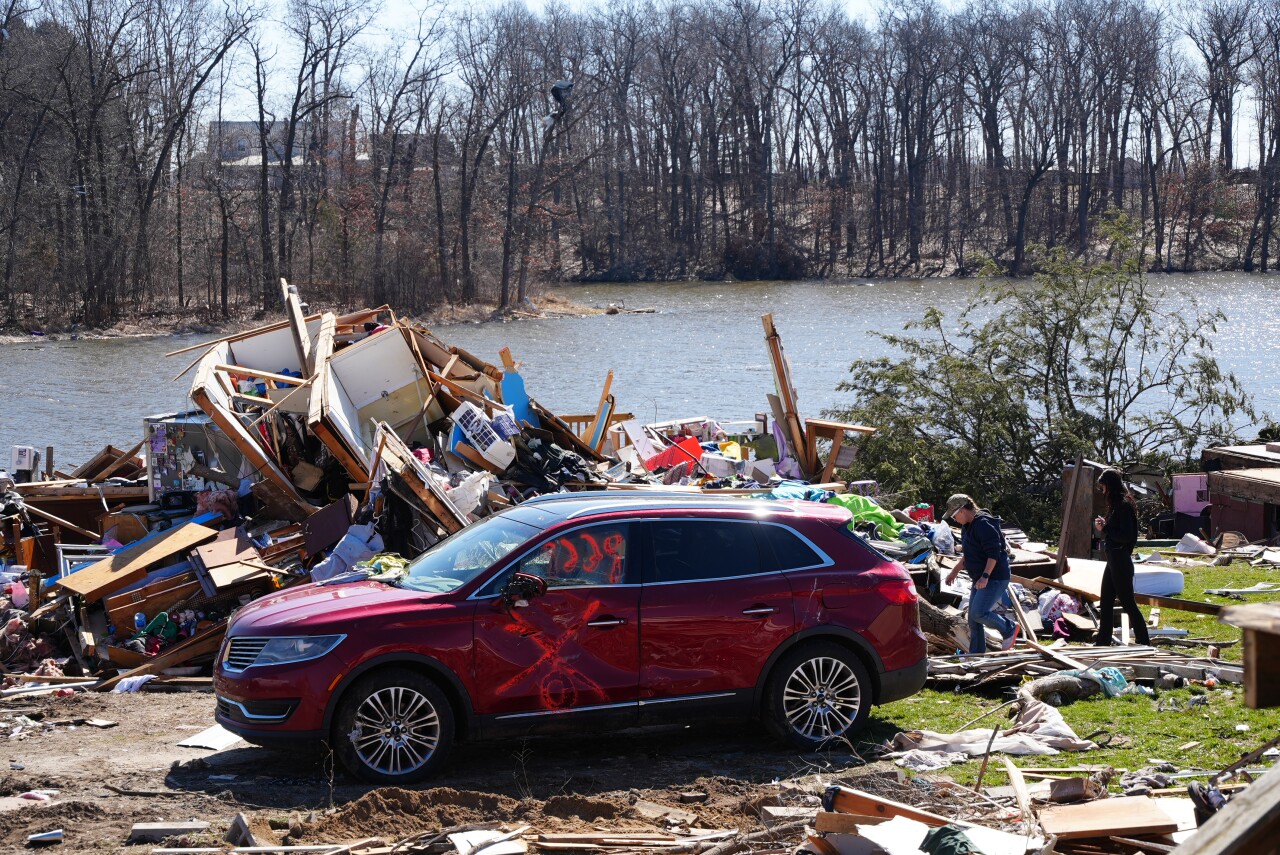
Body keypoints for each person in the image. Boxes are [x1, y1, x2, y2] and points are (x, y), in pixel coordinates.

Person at [942, 493, 1018, 653]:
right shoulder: (967, 527)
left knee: (979, 613)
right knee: (973, 619)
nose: (954, 520)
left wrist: (985, 576)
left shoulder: (983, 524)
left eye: (955, 516)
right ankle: (976, 657)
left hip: (995, 577)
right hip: (980, 578)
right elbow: (969, 554)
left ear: (962, 510)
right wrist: (954, 571)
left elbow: (994, 553)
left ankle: (1009, 628)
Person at [1093, 468, 1149, 646]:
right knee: (1106, 601)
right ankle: (1103, 641)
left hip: (1120, 560)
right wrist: (1106, 526)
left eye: (1103, 486)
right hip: (1113, 559)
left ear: (1109, 486)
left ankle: (1143, 640)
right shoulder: (1117, 506)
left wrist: (1106, 529)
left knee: (1127, 602)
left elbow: (1126, 535)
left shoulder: (1124, 506)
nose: (1102, 490)